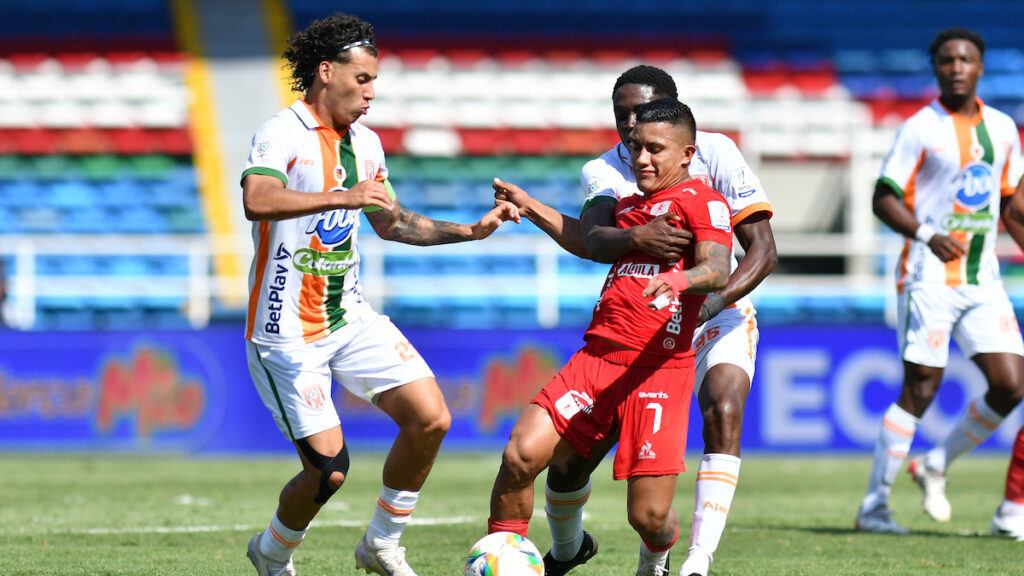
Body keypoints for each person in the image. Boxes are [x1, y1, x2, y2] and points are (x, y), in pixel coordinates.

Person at [239, 13, 518, 576]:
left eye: (374, 82)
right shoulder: (281, 132)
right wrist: (340, 197)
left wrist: (470, 230)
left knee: (431, 418)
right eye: (362, 79)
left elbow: (391, 223)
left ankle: (381, 543)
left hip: (348, 316)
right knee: (328, 471)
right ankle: (271, 555)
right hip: (285, 332)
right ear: (326, 72)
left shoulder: (366, 144)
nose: (370, 93)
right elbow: (258, 198)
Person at [493, 65, 776, 576]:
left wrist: (692, 298)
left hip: (715, 311)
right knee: (562, 465)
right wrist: (542, 210)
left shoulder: (714, 158)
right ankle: (550, 551)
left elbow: (752, 255)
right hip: (621, 336)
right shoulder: (607, 172)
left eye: (641, 118)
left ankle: (695, 560)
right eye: (622, 117)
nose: (631, 132)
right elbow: (595, 240)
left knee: (724, 408)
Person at [855, 27, 1024, 534]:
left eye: (965, 59)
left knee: (1010, 385)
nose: (955, 67)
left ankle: (935, 464)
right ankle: (874, 507)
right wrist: (928, 233)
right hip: (927, 275)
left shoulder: (1004, 129)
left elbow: (1012, 203)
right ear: (934, 67)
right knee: (921, 388)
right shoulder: (919, 128)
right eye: (946, 60)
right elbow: (882, 198)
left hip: (983, 277)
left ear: (980, 67)